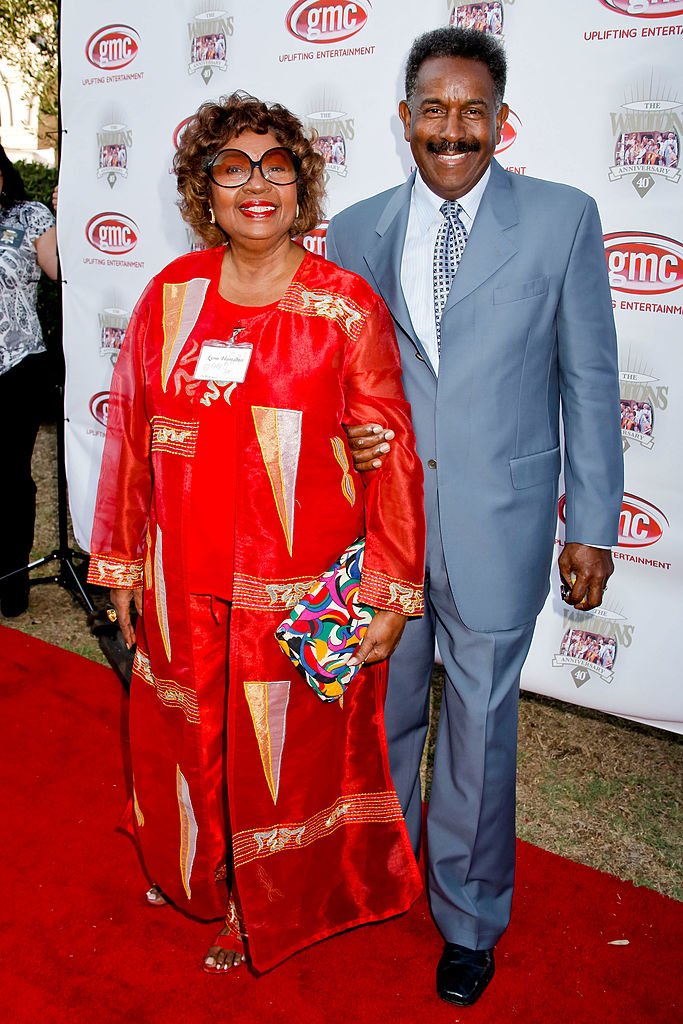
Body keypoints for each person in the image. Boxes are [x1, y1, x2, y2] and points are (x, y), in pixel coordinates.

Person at [86, 93, 426, 975]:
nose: (255, 185)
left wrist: (389, 588)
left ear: (301, 184)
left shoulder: (344, 306)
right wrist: (121, 565)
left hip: (296, 593)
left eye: (276, 165)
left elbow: (389, 454)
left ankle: (259, 907)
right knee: (189, 740)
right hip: (178, 576)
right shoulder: (170, 295)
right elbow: (129, 435)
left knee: (284, 760)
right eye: (231, 168)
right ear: (206, 189)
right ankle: (197, 874)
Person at [327, 26, 623, 1007]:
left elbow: (587, 379)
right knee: (380, 713)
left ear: (500, 121)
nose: (450, 128)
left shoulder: (561, 218)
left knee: (479, 729)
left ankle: (468, 916)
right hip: (386, 529)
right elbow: (332, 382)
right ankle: (380, 875)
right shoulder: (355, 228)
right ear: (402, 119)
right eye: (432, 109)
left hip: (499, 520)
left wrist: (590, 522)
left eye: (470, 110)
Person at [0, 144, 58, 617]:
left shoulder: (30, 215)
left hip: (17, 366)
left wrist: (75, 215)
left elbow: (60, 271)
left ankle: (12, 579)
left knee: (12, 478)